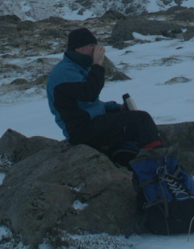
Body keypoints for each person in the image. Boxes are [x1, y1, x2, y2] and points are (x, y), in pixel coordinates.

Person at [46, 27, 162, 165]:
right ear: (78, 48)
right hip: (80, 129)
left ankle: (136, 163)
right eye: (91, 46)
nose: (96, 50)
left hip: (87, 122)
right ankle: (159, 166)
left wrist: (116, 108)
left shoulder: (77, 66)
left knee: (132, 122)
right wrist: (97, 64)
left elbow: (89, 104)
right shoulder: (65, 71)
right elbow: (89, 93)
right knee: (141, 120)